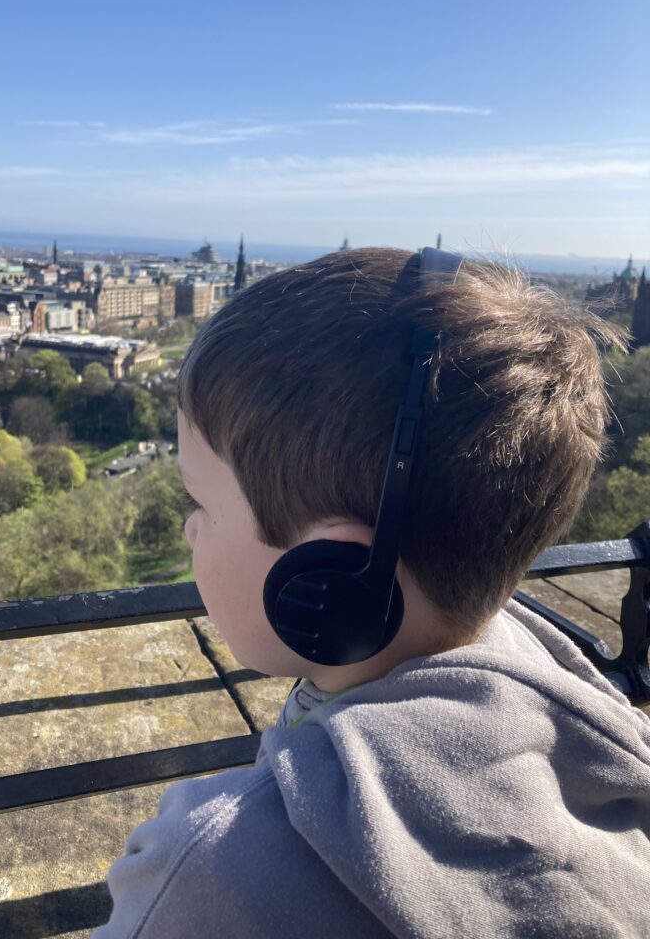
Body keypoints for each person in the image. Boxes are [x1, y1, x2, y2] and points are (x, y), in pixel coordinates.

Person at [92, 247, 650, 939]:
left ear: (337, 571)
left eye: (201, 502)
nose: (188, 529)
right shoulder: (587, 709)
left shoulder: (209, 875)